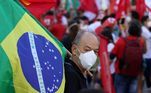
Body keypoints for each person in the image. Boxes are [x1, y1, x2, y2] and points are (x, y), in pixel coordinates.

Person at [110, 20, 146, 93]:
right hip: (135, 72)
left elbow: (111, 56)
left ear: (129, 30)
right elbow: (144, 51)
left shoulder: (121, 41)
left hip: (121, 72)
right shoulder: (141, 41)